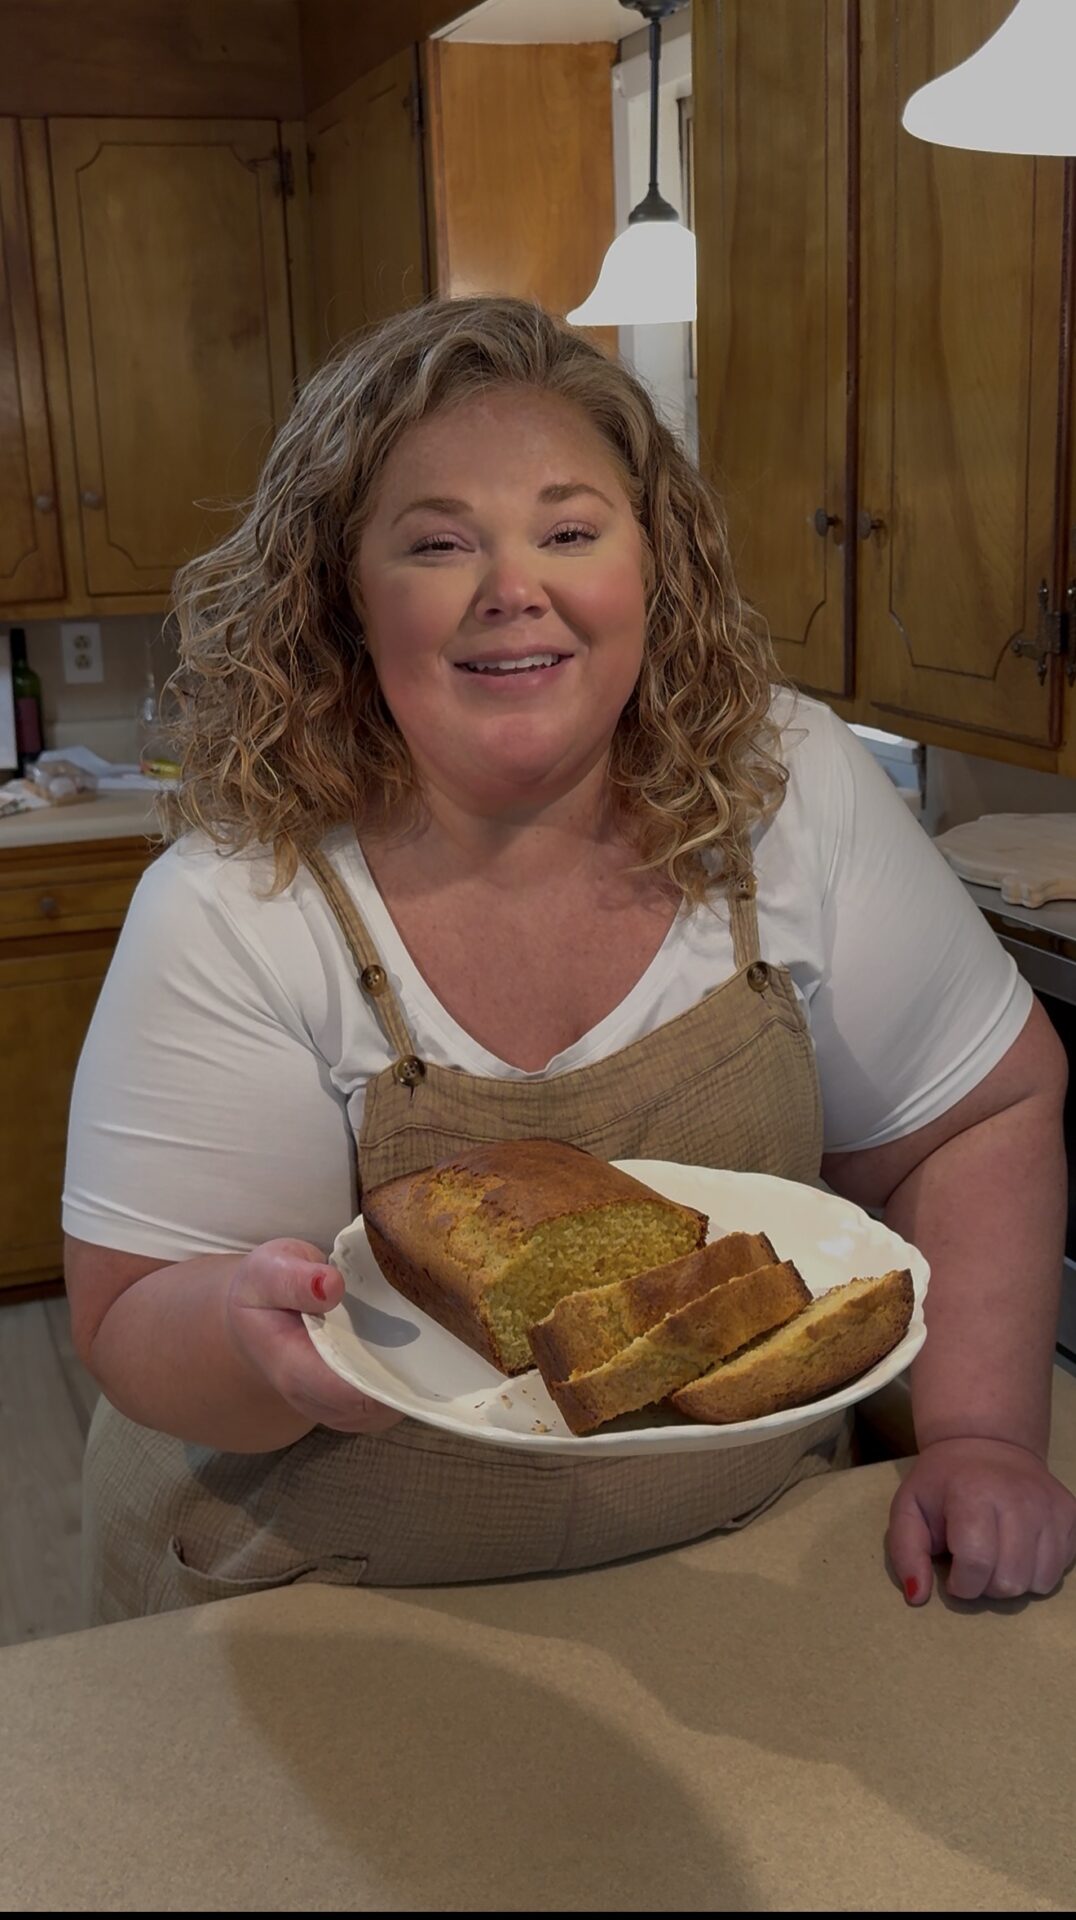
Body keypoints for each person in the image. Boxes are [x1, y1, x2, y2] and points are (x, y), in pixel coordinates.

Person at [64, 295, 1075, 1622]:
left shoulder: (789, 791)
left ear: (651, 567)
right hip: (316, 1607)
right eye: (438, 543)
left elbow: (978, 1116)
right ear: (343, 594)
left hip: (732, 1576)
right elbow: (134, 1322)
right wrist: (253, 1350)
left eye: (569, 529)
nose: (512, 589)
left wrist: (981, 1439)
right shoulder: (236, 901)